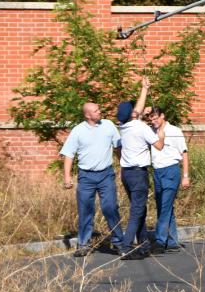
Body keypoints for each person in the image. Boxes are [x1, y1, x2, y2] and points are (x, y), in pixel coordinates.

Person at [61, 101, 124, 257]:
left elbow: (118, 148)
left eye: (99, 109)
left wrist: (123, 167)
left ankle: (119, 242)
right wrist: (67, 177)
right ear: (87, 115)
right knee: (85, 211)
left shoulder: (109, 126)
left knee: (110, 207)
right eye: (96, 110)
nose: (99, 111)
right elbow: (69, 154)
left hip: (106, 175)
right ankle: (83, 244)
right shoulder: (78, 131)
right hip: (86, 177)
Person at [115, 77, 163, 260]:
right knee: (137, 211)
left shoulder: (124, 126)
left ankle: (143, 245)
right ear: (133, 114)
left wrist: (144, 89)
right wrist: (160, 134)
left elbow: (137, 110)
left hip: (127, 173)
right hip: (138, 174)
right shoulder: (140, 127)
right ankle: (126, 247)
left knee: (140, 209)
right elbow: (158, 146)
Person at [146, 106, 191, 253]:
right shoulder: (150, 130)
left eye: (156, 118)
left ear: (163, 116)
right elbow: (136, 124)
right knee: (164, 206)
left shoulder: (174, 131)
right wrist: (144, 113)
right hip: (157, 171)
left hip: (171, 170)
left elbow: (184, 153)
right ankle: (172, 241)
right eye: (151, 118)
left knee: (165, 206)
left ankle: (159, 241)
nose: (153, 121)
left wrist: (185, 176)